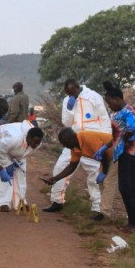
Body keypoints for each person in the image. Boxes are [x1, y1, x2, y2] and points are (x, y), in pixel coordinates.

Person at [44, 79, 111, 218]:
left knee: (94, 175)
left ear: (76, 87)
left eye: (72, 92)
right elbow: (66, 122)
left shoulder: (93, 96)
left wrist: (105, 143)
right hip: (73, 140)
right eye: (68, 94)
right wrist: (69, 108)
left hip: (92, 142)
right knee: (60, 168)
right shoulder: (67, 100)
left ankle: (97, 208)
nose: (70, 95)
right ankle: (57, 201)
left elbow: (104, 118)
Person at [100, 81, 135, 233]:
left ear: (117, 99)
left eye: (110, 102)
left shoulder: (128, 111)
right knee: (124, 188)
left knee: (129, 188)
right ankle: (131, 222)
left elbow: (132, 130)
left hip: (132, 152)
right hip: (125, 152)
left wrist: (121, 141)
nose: (109, 106)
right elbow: (116, 136)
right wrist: (105, 147)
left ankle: (134, 224)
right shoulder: (119, 113)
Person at [41, 128, 113, 207]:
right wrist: (56, 178)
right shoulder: (75, 147)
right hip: (108, 159)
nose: (64, 146)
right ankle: (103, 211)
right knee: (103, 185)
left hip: (118, 153)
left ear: (71, 139)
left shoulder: (87, 137)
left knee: (109, 183)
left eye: (65, 143)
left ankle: (106, 213)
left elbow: (103, 154)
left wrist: (104, 172)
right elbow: (72, 166)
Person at [0, 121, 44, 211]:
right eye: (34, 142)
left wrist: (17, 161)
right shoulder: (13, 139)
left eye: (38, 143)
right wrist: (7, 164)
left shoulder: (37, 143)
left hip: (17, 150)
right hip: (0, 141)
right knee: (6, 176)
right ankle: (4, 203)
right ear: (28, 137)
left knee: (21, 175)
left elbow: (25, 154)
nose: (36, 145)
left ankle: (20, 202)